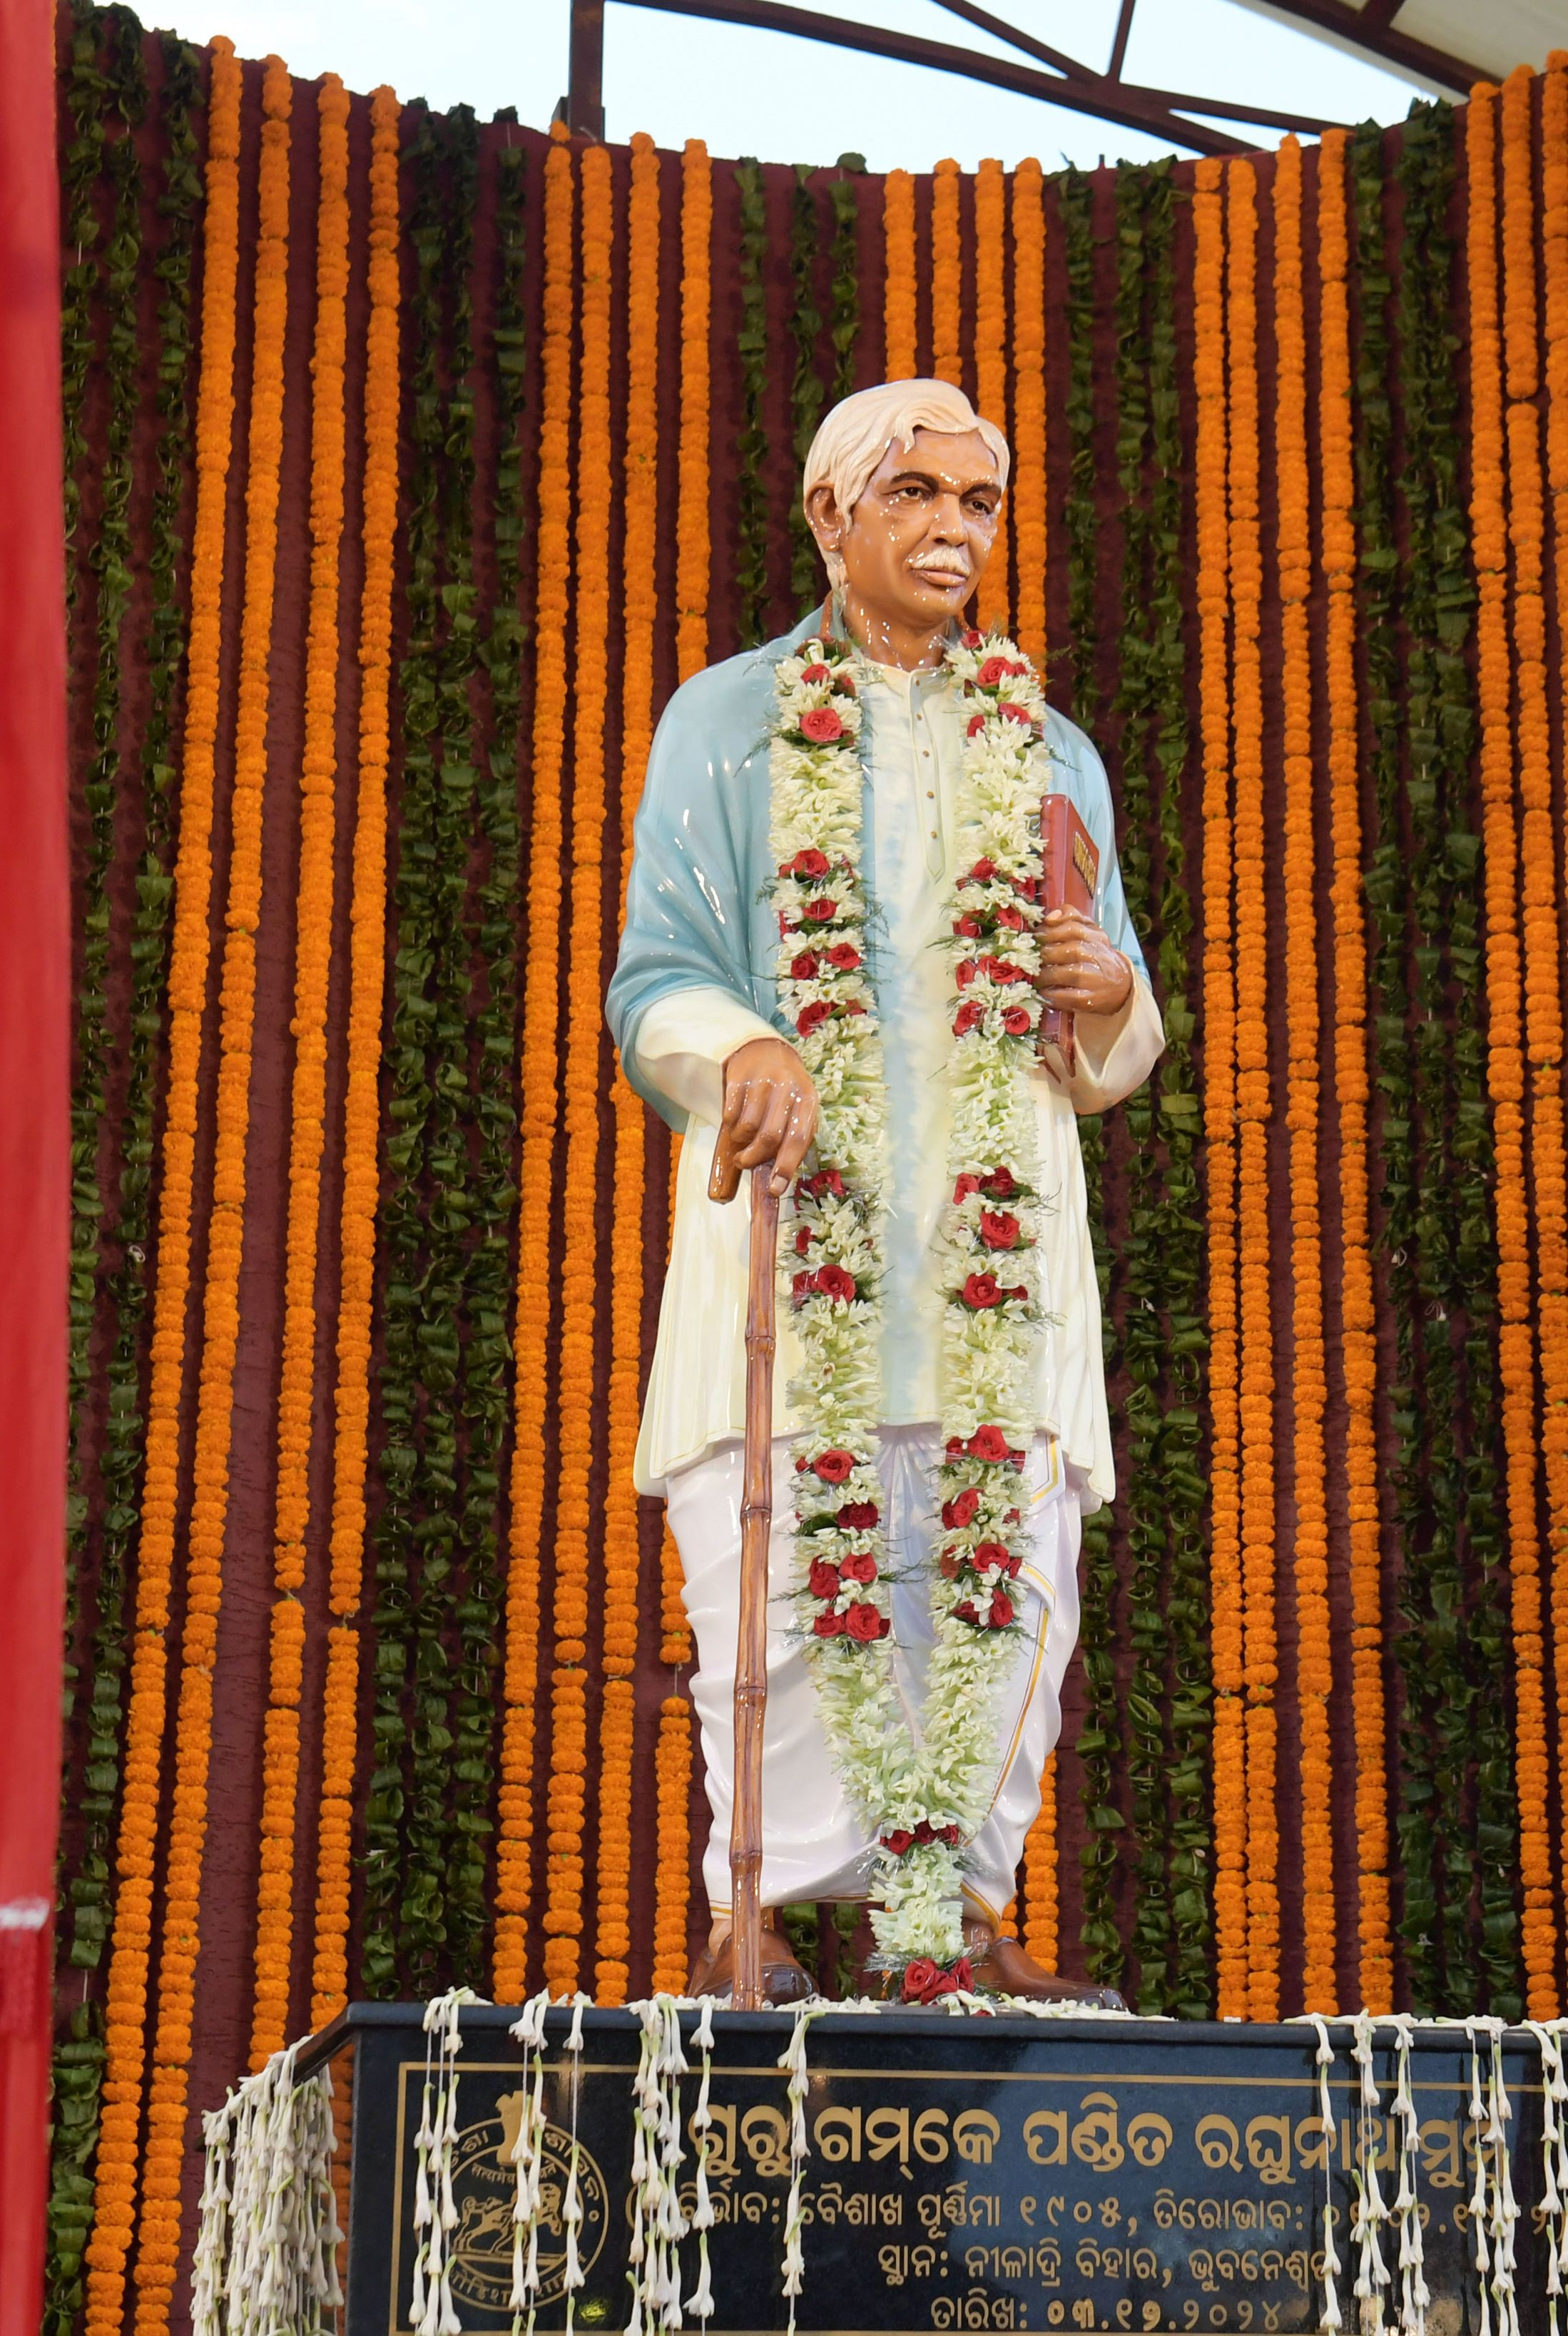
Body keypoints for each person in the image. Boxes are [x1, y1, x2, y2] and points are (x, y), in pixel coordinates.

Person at [606, 379, 1163, 2004]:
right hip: (804, 1227)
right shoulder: (729, 722)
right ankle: (757, 1913)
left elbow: (1112, 1033)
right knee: (779, 1579)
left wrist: (1108, 994)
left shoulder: (1051, 750)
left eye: (977, 503)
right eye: (913, 493)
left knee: (1007, 1576)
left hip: (1000, 1244)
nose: (950, 530)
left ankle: (961, 1918)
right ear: (829, 515)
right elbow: (656, 977)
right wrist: (743, 1046)